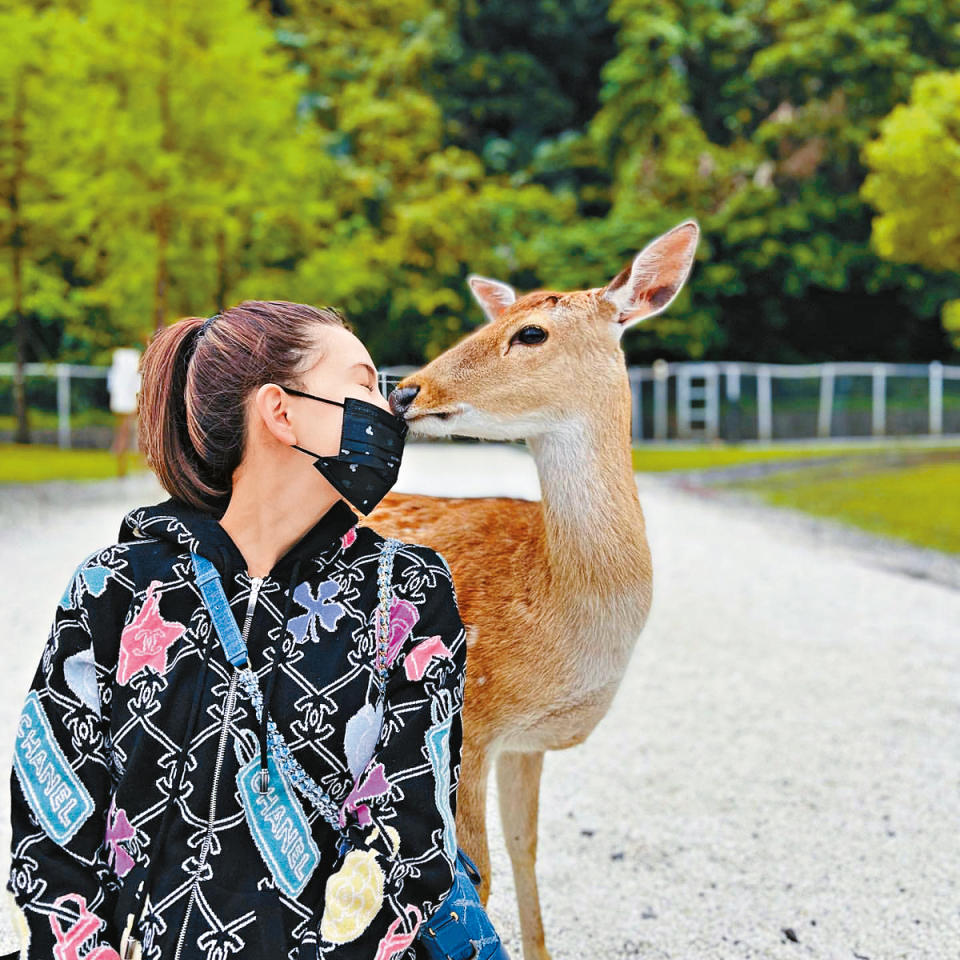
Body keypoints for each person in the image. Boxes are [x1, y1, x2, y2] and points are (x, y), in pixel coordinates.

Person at [6, 301, 468, 960]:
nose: (388, 409)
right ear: (281, 412)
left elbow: (410, 841)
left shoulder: (409, 594)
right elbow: (50, 827)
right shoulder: (113, 588)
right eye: (364, 383)